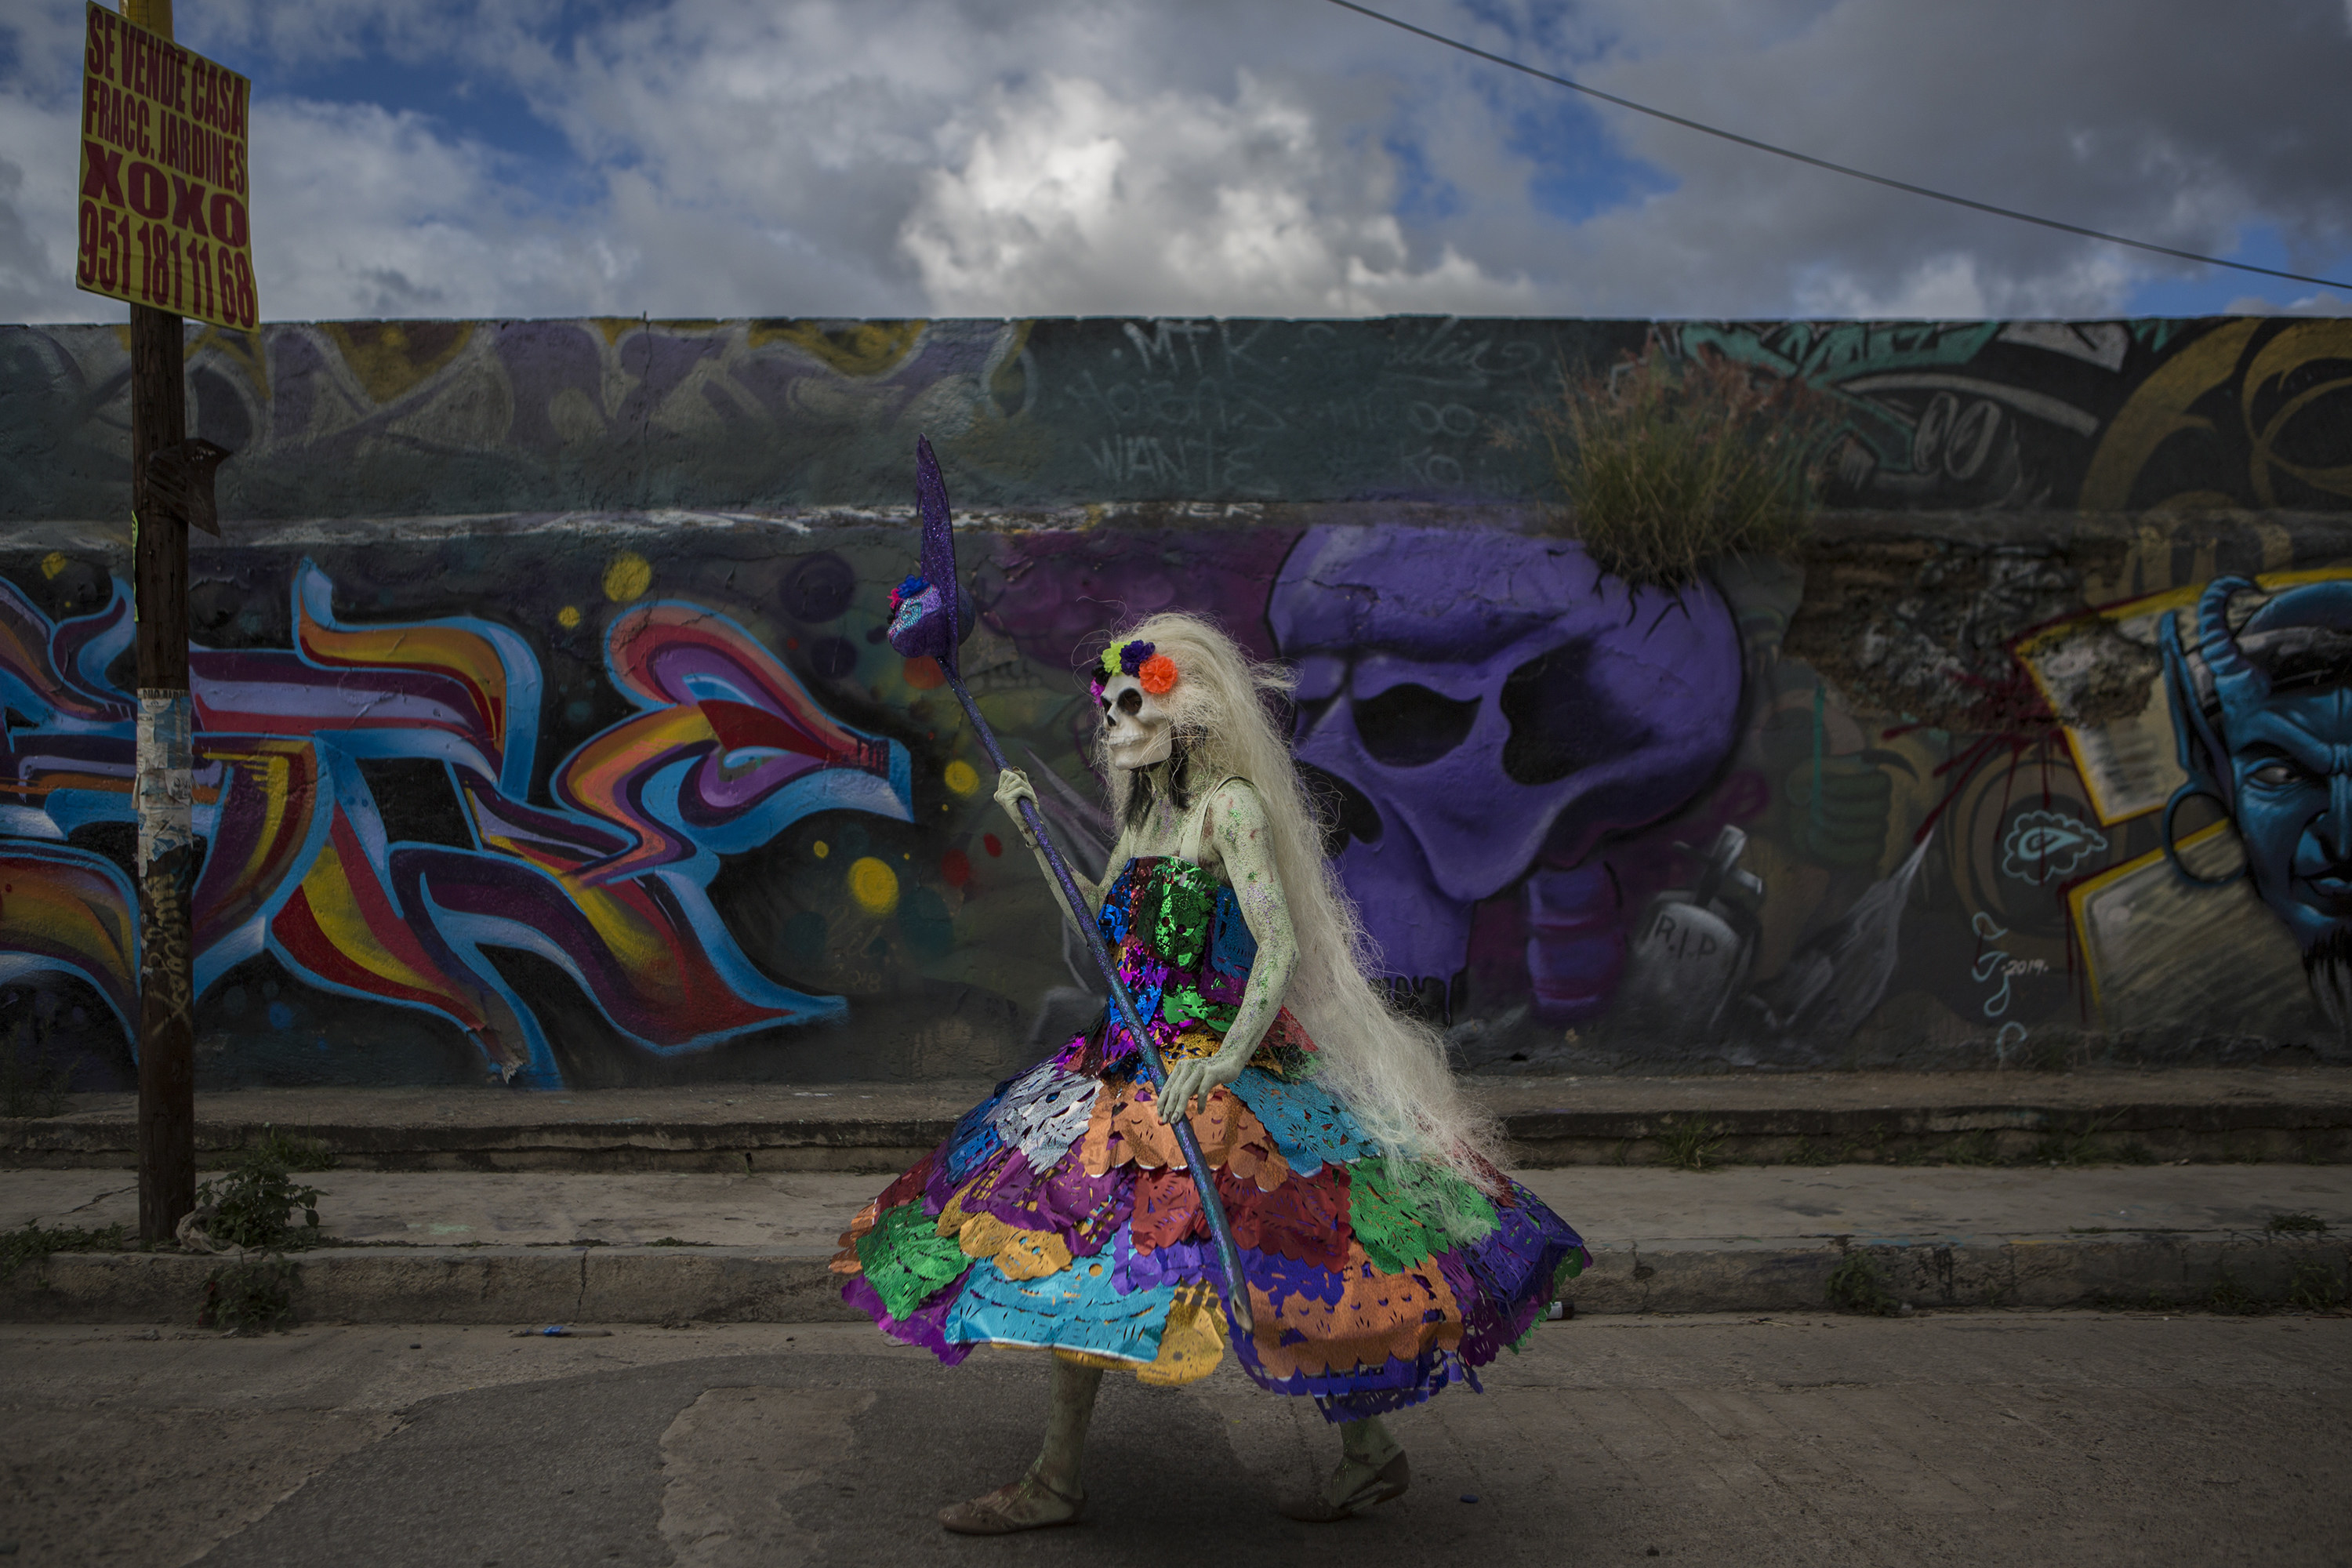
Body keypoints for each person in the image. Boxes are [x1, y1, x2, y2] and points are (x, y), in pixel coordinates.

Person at [833, 610, 1588, 1533]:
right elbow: (1106, 943)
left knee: (1315, 1261)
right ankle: (1061, 1475)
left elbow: (1278, 944)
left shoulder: (1232, 805)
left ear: (1186, 713)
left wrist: (1226, 1056)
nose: (1110, 725)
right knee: (1081, 1257)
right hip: (1121, 1073)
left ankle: (1364, 1452)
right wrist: (1029, 831)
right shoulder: (1146, 817)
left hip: (1221, 1079)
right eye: (1103, 707)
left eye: (1127, 705)